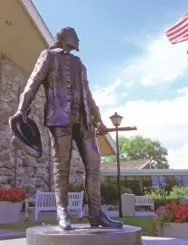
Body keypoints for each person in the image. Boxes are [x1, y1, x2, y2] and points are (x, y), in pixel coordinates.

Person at [13, 27, 123, 230]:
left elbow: (88, 96)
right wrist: (21, 110)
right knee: (62, 166)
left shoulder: (80, 64)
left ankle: (96, 214)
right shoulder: (48, 56)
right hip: (59, 119)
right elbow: (33, 83)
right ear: (65, 37)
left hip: (84, 121)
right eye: (76, 36)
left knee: (94, 163)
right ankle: (62, 211)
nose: (79, 40)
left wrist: (98, 120)